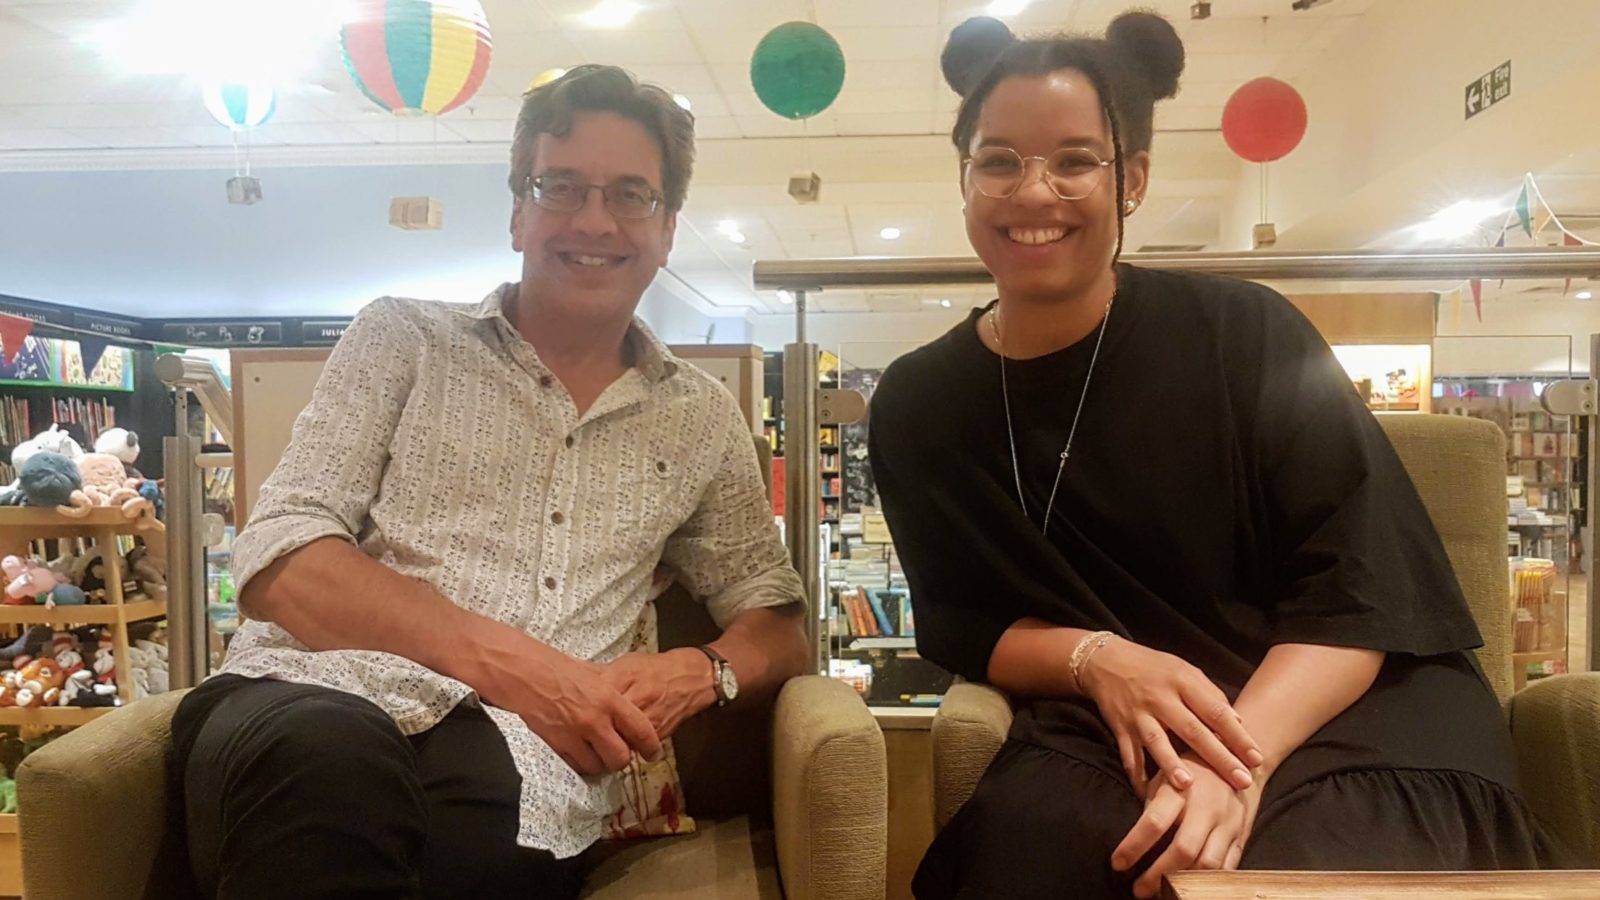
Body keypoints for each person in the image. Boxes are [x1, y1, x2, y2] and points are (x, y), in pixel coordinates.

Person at [868, 13, 1564, 900]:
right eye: (998, 160)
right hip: (1118, 721)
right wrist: (1098, 658)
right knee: (1049, 850)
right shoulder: (920, 402)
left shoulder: (1249, 333)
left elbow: (1360, 590)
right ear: (964, 180)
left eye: (1075, 160)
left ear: (1133, 181)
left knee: (1330, 862)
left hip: (1347, 702)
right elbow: (961, 618)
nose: (1033, 191)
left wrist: (1235, 763)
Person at [165, 64, 807, 900]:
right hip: (309, 695)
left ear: (668, 226)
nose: (594, 220)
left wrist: (705, 669)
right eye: (561, 187)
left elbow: (778, 620)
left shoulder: (701, 418)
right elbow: (283, 557)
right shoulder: (402, 339)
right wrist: (520, 669)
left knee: (464, 843)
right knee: (325, 773)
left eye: (631, 194)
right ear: (517, 210)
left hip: (519, 764)